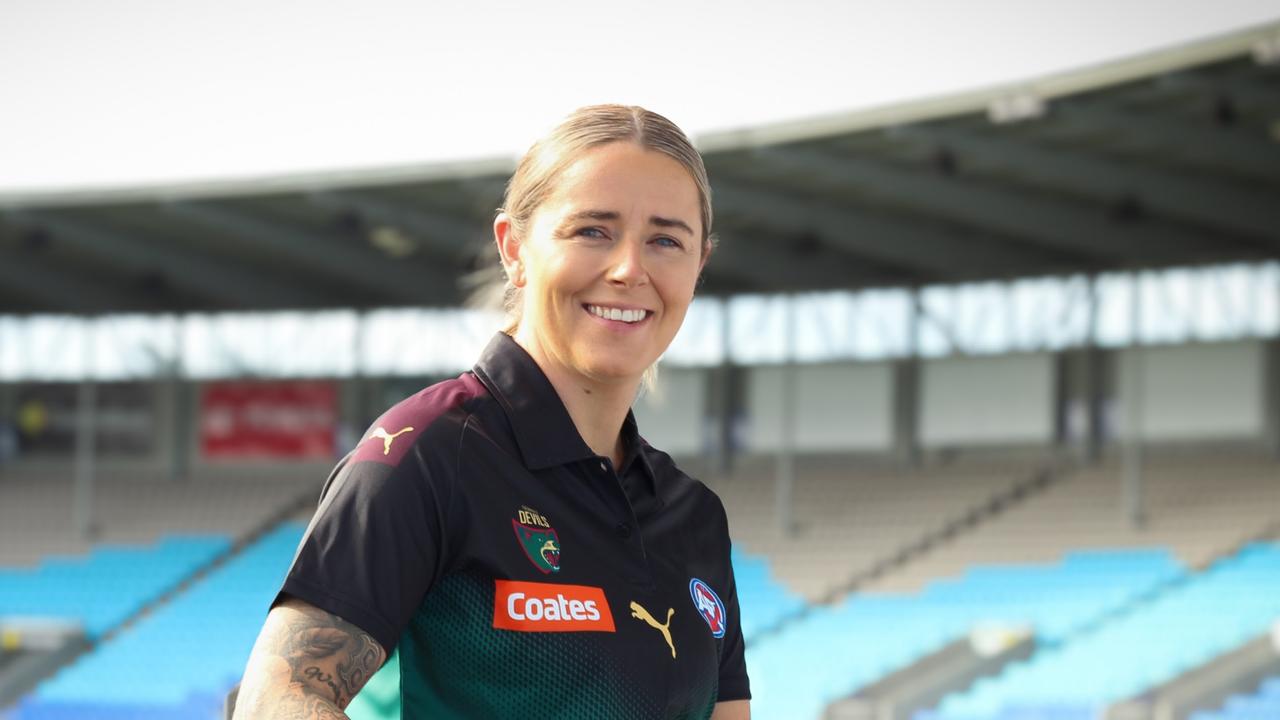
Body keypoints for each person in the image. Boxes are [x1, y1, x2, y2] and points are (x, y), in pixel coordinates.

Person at [232, 104, 751, 719]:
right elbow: (280, 700)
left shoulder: (693, 517)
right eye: (593, 231)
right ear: (514, 249)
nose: (629, 269)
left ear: (699, 266)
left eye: (666, 240)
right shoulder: (428, 454)